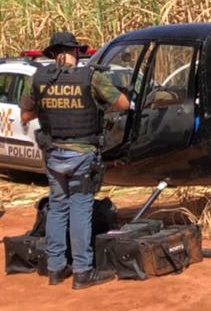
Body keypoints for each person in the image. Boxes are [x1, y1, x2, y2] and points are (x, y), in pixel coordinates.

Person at [19, 31, 130, 288]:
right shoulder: (91, 77)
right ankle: (82, 271)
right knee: (81, 208)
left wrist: (48, 108)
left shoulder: (38, 79)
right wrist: (98, 107)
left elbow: (25, 115)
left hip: (52, 154)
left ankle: (56, 269)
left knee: (58, 208)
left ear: (53, 54)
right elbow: (123, 103)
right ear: (75, 52)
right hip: (82, 154)